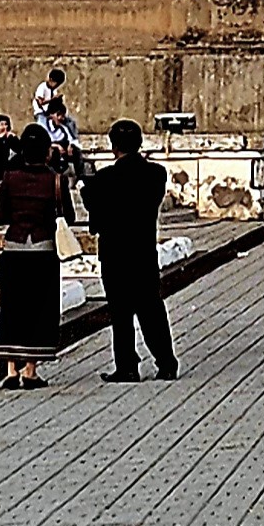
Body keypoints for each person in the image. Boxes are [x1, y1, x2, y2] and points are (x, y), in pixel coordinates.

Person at [83, 118, 178, 382]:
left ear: (113, 146)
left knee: (120, 312)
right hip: (143, 250)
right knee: (152, 309)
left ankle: (127, 366)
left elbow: (93, 207)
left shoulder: (103, 179)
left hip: (114, 253)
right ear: (140, 143)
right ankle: (166, 362)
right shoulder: (157, 173)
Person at [0, 121, 75, 387]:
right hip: (43, 247)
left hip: (14, 246)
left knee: (13, 306)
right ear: (46, 151)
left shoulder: (9, 178)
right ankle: (30, 370)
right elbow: (68, 217)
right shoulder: (56, 180)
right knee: (39, 308)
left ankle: (10, 370)